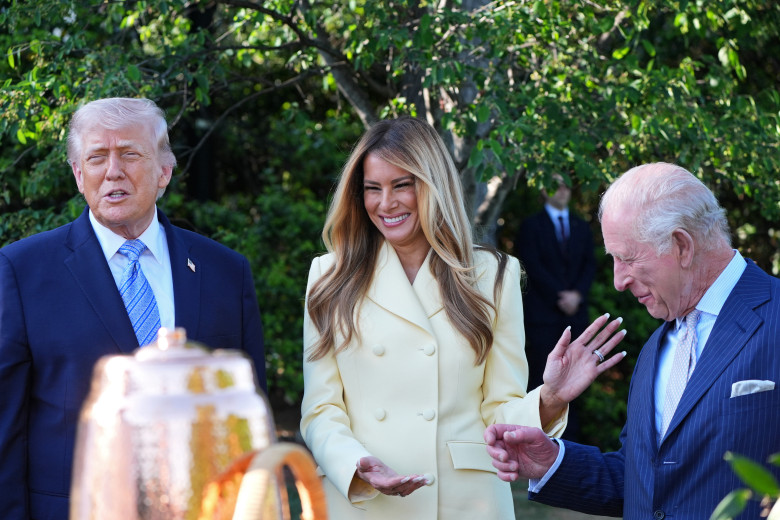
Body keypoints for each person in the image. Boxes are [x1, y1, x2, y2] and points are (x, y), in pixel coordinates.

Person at [299, 116, 626, 519]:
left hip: (466, 501)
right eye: (372, 189)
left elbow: (498, 409)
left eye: (402, 185)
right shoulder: (329, 276)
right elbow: (320, 411)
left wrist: (550, 398)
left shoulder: (494, 275)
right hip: (365, 503)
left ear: (433, 185)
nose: (386, 203)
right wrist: (354, 466)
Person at [0, 97, 266, 520]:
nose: (113, 171)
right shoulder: (22, 270)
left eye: (129, 154)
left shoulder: (225, 272)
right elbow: (5, 430)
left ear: (164, 171)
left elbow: (248, 415)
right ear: (77, 173)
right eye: (97, 157)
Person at [485, 162, 780, 519]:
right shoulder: (656, 348)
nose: (618, 281)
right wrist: (553, 461)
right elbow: (643, 482)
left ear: (682, 246)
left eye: (627, 258)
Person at [514, 174, 596, 440]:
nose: (561, 190)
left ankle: (572, 443)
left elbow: (589, 265)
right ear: (543, 190)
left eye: (565, 186)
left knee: (578, 376)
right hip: (543, 316)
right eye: (555, 185)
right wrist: (559, 295)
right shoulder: (531, 226)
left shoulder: (581, 226)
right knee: (542, 378)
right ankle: (541, 439)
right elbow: (531, 266)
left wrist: (577, 295)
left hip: (576, 316)